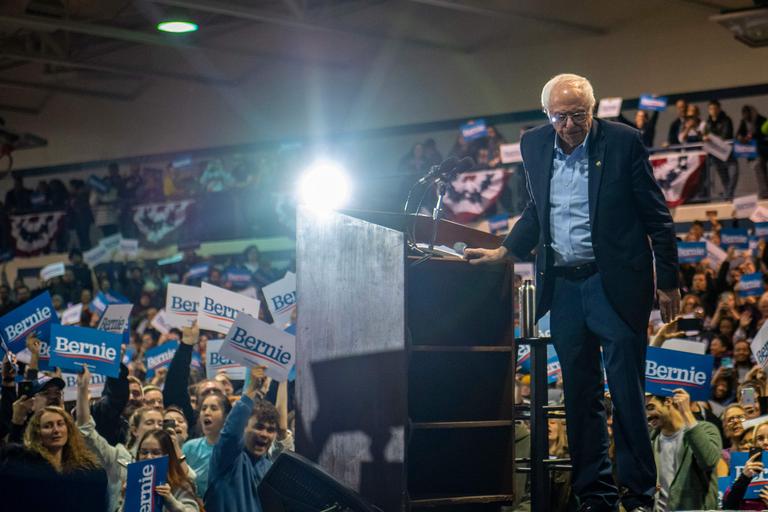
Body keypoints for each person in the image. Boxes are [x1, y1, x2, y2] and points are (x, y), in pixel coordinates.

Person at [464, 73, 680, 512]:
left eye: (578, 114)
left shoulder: (623, 142)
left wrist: (669, 280)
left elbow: (658, 217)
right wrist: (505, 251)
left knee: (626, 394)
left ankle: (637, 496)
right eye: (560, 116)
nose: (569, 124)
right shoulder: (533, 145)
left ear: (593, 109)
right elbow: (535, 210)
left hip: (614, 284)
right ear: (547, 115)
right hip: (563, 287)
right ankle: (594, 496)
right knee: (581, 399)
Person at [205, 367, 280, 512]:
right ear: (243, 427)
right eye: (259, 427)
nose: (265, 434)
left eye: (270, 430)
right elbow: (231, 434)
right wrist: (250, 389)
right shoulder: (227, 458)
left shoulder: (270, 468)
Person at [645, 389, 721, 510]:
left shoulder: (707, 429)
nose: (647, 415)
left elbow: (709, 462)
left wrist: (686, 412)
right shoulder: (650, 440)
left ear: (668, 401)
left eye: (650, 407)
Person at [128, 429, 201, 512]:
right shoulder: (133, 482)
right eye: (144, 452)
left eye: (156, 452)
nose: (148, 457)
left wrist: (171, 501)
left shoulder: (181, 484)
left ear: (167, 455)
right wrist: (126, 500)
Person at [182, 389, 232, 498]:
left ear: (226, 416)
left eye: (213, 408)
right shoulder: (189, 448)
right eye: (203, 408)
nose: (206, 412)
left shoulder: (234, 449)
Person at [722, 420, 768, 509]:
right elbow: (728, 507)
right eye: (760, 438)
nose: (765, 442)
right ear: (754, 444)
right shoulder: (741, 471)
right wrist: (744, 477)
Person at [704, 99, 738, 199]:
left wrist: (712, 137)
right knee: (723, 176)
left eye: (715, 108)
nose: (713, 111)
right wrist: (706, 137)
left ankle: (729, 194)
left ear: (719, 109)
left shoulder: (726, 120)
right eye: (710, 109)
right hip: (716, 154)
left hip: (727, 152)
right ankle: (728, 196)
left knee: (733, 173)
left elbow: (726, 134)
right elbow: (705, 134)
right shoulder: (708, 123)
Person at [737, 105, 768, 198]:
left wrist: (752, 136)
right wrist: (740, 138)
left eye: (747, 113)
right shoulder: (743, 122)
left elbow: (762, 132)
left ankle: (764, 192)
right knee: (758, 171)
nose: (746, 116)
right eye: (744, 114)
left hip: (763, 149)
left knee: (762, 171)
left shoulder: (762, 120)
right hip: (752, 153)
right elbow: (738, 134)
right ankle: (764, 193)